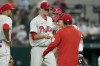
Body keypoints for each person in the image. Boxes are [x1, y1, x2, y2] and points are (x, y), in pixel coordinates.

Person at [29, 2, 56, 66]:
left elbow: (55, 31)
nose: (47, 10)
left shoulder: (51, 20)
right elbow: (34, 36)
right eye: (45, 9)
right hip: (37, 48)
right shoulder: (35, 20)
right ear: (41, 9)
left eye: (48, 9)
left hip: (48, 48)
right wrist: (45, 36)